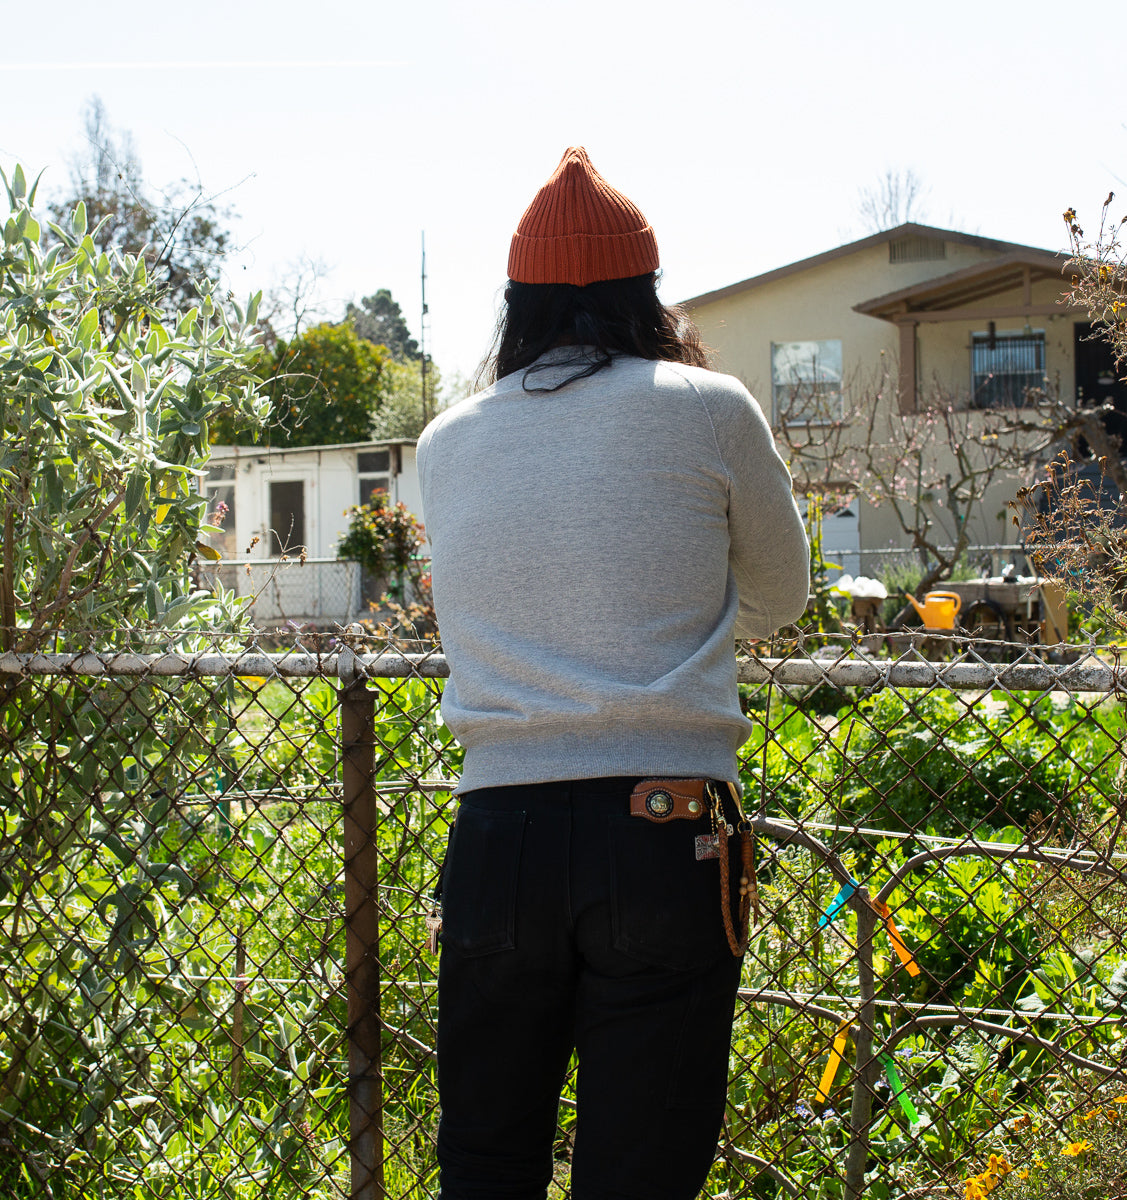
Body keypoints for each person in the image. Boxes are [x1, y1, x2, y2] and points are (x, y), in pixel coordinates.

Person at [416, 146, 810, 1200]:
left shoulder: (446, 442)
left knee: (487, 1165)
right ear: (645, 290)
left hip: (497, 834)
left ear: (519, 304)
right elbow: (783, 597)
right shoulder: (713, 408)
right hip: (665, 829)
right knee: (642, 1170)